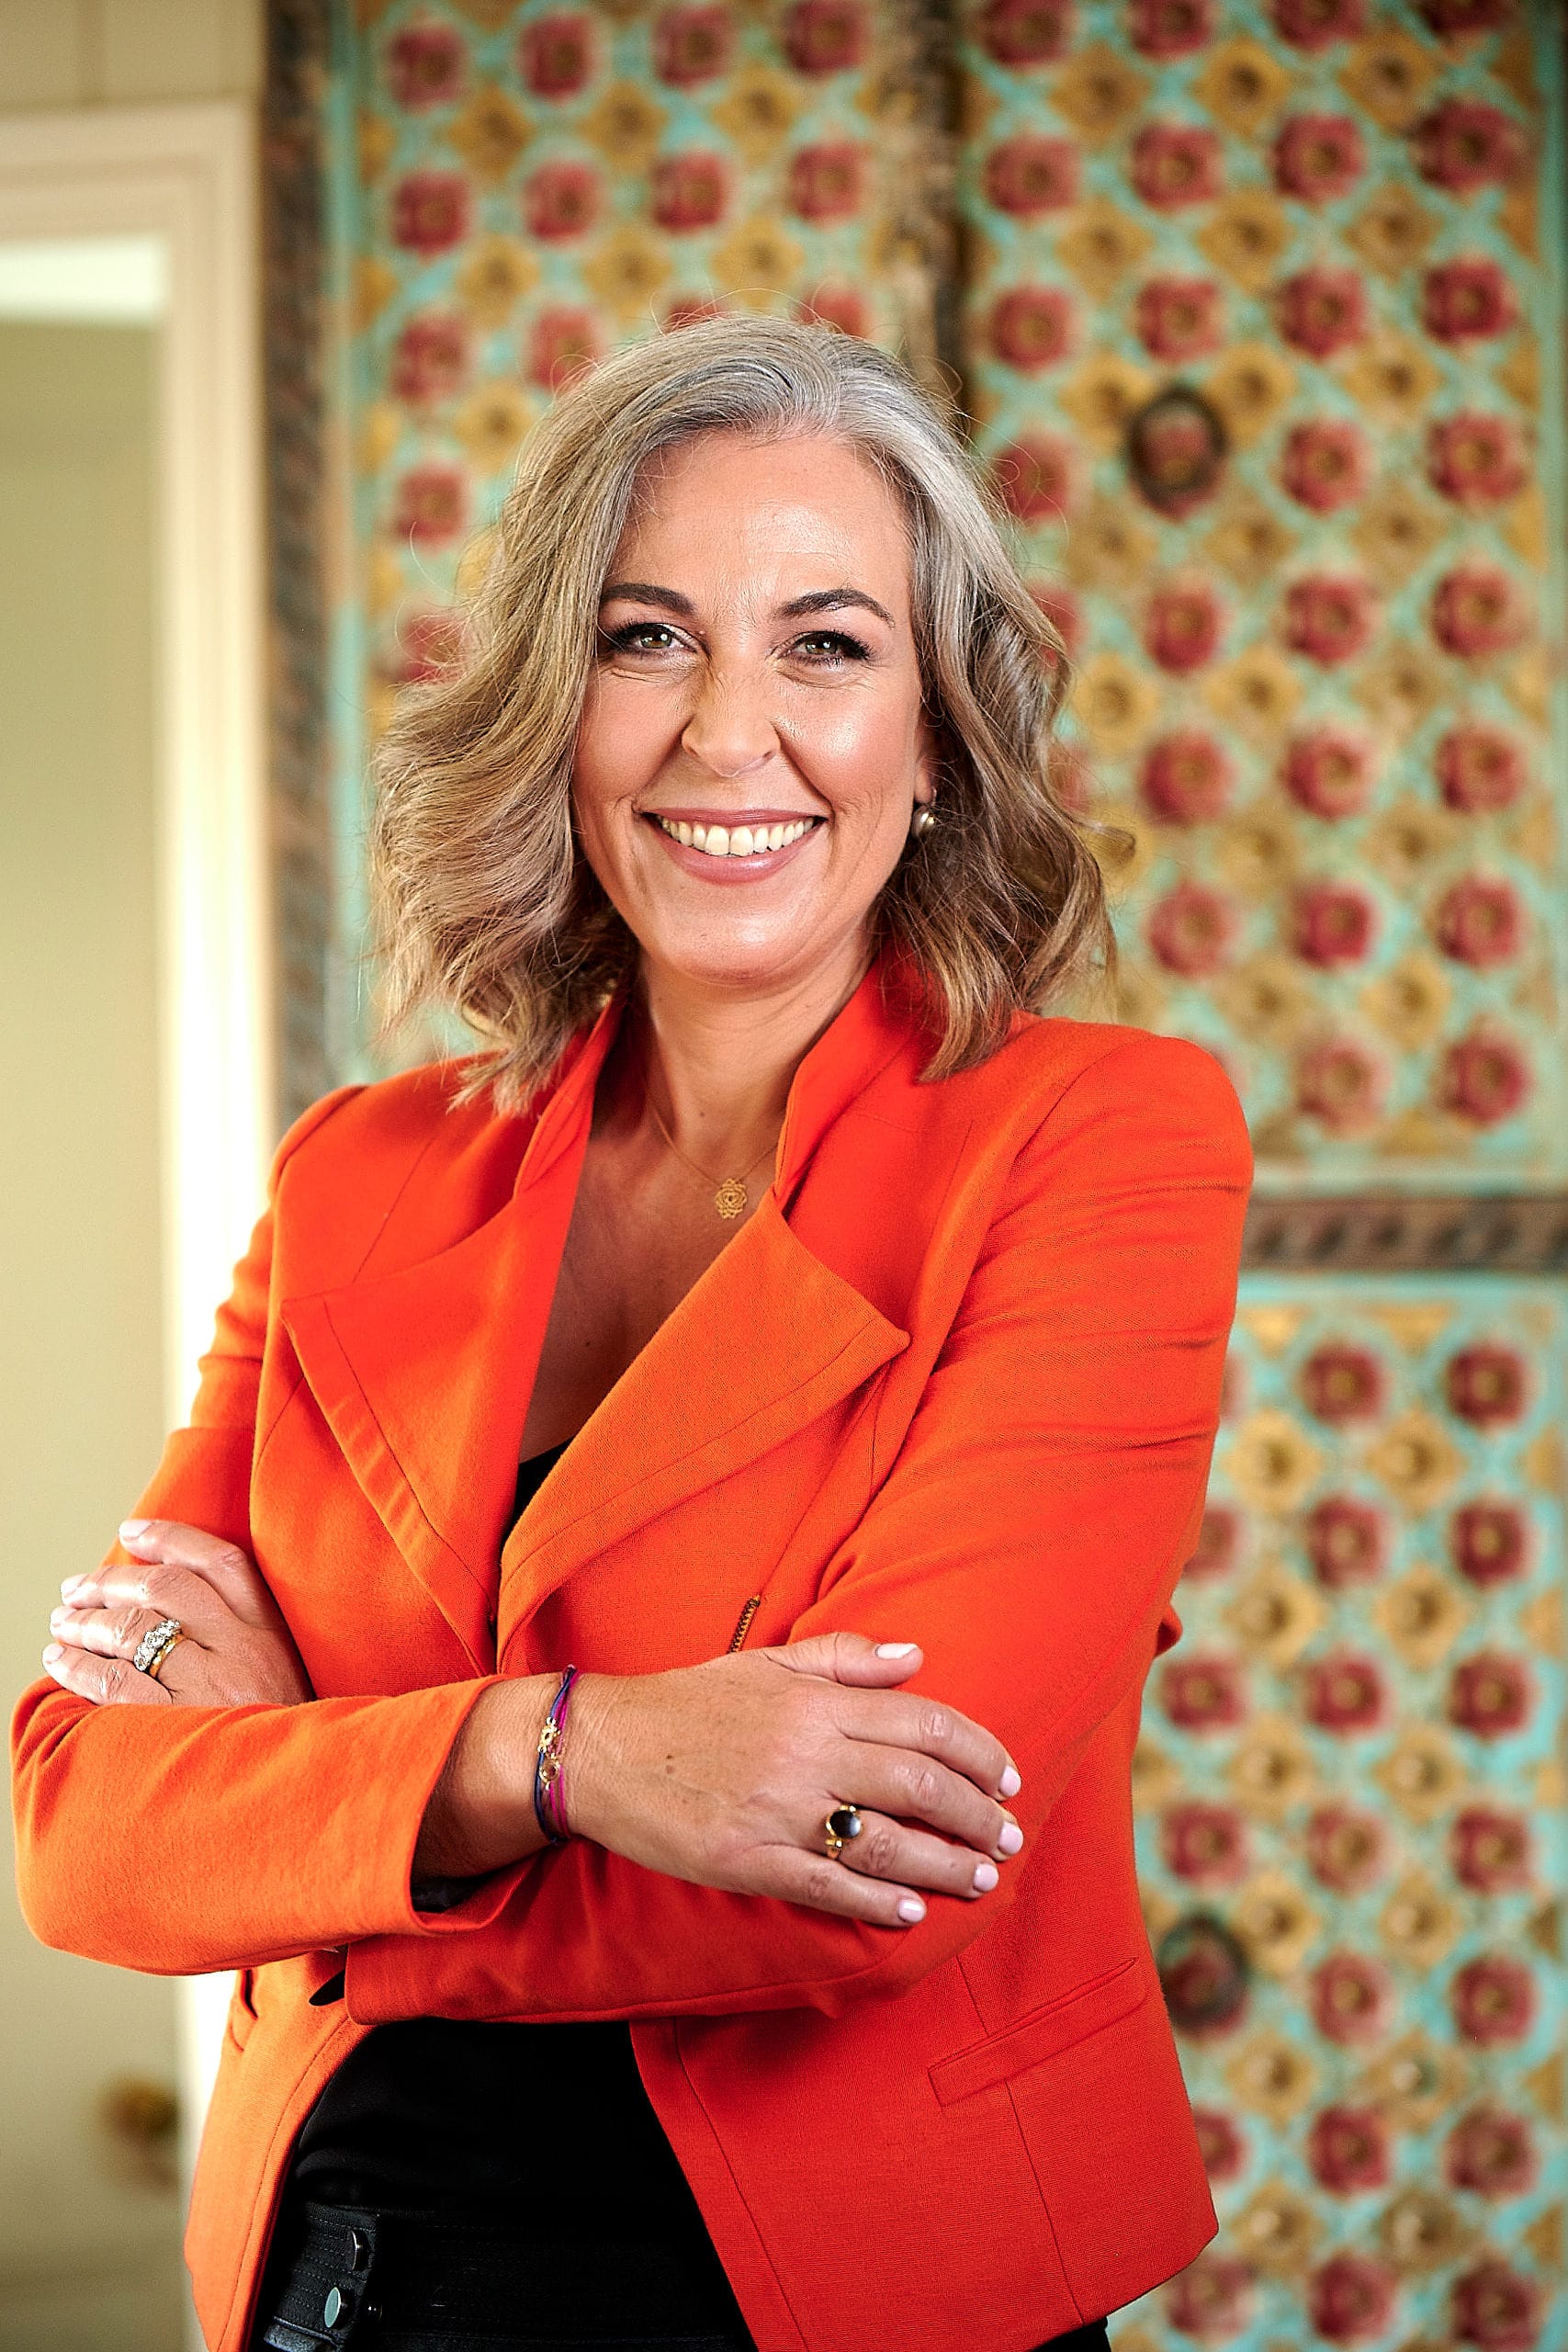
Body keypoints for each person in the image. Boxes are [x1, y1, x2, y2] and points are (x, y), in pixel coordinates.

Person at [14, 319, 1251, 2352]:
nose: (722, 732)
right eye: (646, 635)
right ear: (552, 701)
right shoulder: (358, 1169)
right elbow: (80, 1823)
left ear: (935, 733)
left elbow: (868, 1864)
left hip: (841, 2297)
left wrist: (314, 1821)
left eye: (827, 645)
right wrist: (574, 1753)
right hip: (333, 2277)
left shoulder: (1092, 1141)